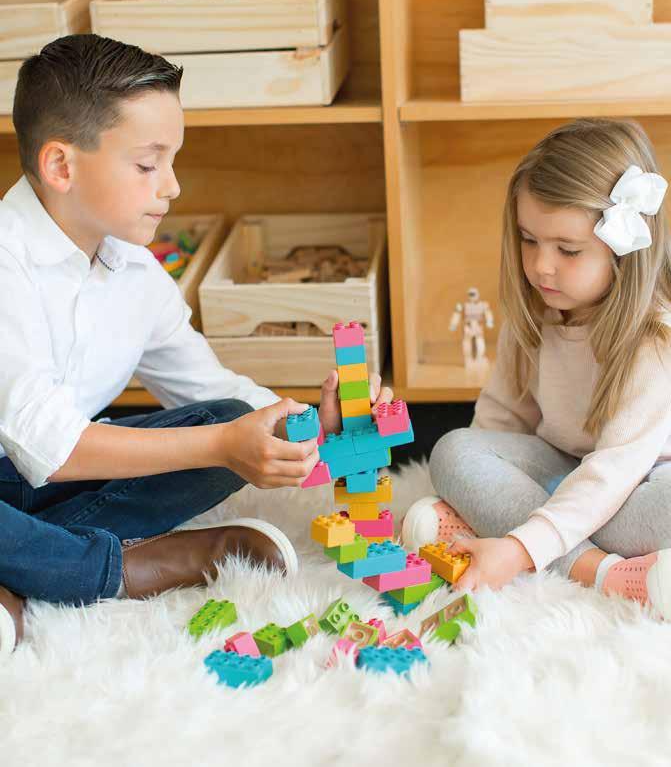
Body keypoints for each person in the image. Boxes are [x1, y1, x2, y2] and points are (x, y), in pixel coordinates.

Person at [0, 34, 391, 655]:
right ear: (61, 167)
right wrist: (220, 445)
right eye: (148, 165)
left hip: (40, 490)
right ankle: (125, 567)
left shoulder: (133, 269)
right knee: (217, 439)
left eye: (172, 161)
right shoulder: (7, 260)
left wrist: (310, 424)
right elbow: (53, 446)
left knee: (229, 419)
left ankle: (29, 566)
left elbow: (209, 392)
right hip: (23, 472)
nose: (173, 186)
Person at [402, 118, 671, 618]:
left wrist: (514, 536)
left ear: (625, 251)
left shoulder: (656, 338)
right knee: (454, 448)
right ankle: (603, 570)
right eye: (529, 240)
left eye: (568, 250)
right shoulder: (536, 310)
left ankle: (531, 544)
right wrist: (472, 486)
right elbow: (501, 420)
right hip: (559, 471)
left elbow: (614, 472)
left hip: (637, 482)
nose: (542, 266)